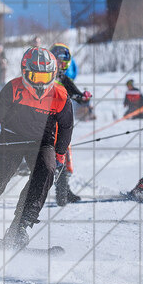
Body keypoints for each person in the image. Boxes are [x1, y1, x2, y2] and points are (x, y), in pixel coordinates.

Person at [0, 46, 73, 248]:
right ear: (25, 72)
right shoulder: (13, 88)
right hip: (11, 139)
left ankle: (20, 227)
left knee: (46, 172)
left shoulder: (60, 95)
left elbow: (66, 126)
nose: (40, 83)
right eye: (35, 76)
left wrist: (60, 154)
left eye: (45, 78)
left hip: (42, 142)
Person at [50, 43, 92, 203]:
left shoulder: (62, 77)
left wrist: (83, 97)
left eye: (64, 62)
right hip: (43, 119)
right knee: (61, 152)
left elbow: (74, 92)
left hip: (60, 121)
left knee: (64, 152)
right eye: (59, 61)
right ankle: (62, 192)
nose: (61, 65)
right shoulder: (46, 75)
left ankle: (64, 191)